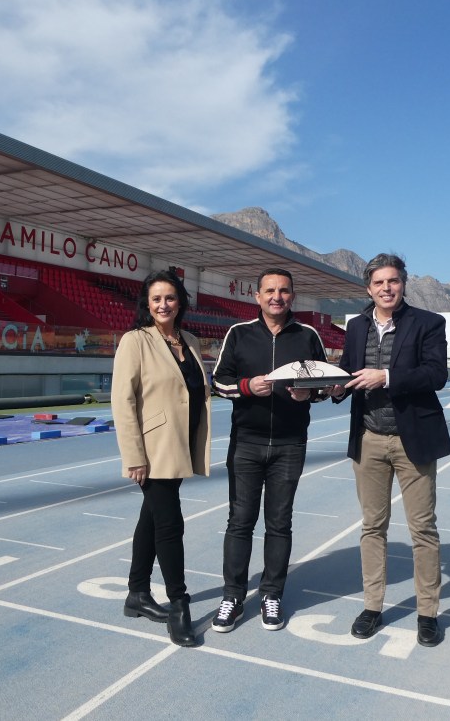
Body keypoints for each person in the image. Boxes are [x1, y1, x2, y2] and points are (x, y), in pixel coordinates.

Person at [330, 253, 450, 647]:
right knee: (372, 527)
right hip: (368, 438)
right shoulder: (355, 326)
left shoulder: (429, 323)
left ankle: (427, 613)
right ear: (368, 288)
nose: (386, 288)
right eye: (379, 282)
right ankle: (372, 606)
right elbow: (348, 371)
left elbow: (436, 374)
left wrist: (386, 377)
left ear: (403, 283)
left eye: (393, 281)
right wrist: (330, 386)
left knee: (423, 529)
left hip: (412, 439)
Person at [210, 267, 329, 633]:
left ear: (292, 295)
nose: (277, 297)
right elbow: (218, 382)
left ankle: (271, 594)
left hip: (290, 445)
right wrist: (247, 387)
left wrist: (311, 393)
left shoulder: (307, 335)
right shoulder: (239, 333)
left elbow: (326, 384)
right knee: (240, 521)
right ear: (257, 296)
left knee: (279, 523)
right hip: (246, 443)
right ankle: (232, 595)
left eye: (284, 291)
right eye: (270, 291)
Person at [112, 270, 211, 647]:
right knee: (170, 524)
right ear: (147, 303)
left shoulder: (189, 340)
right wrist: (134, 455)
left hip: (181, 443)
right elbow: (123, 401)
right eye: (156, 299)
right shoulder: (135, 341)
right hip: (152, 450)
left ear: (180, 301)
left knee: (152, 517)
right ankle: (179, 605)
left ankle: (137, 593)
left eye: (170, 298)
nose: (163, 304)